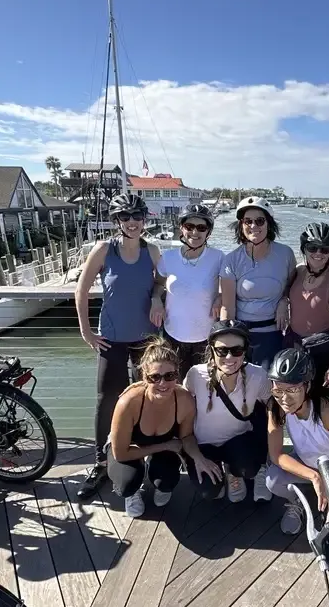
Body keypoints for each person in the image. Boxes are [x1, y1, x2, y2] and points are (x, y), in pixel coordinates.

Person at [75, 192, 165, 500]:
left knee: (147, 398)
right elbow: (82, 288)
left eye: (137, 217)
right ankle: (101, 461)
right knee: (107, 398)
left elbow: (161, 281)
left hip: (146, 338)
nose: (132, 223)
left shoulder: (152, 250)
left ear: (144, 221)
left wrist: (155, 296)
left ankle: (144, 454)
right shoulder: (104, 250)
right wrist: (86, 330)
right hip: (111, 337)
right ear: (116, 221)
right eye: (125, 217)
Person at [106, 337, 221, 518]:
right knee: (126, 484)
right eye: (155, 377)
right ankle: (134, 489)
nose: (163, 383)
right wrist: (165, 446)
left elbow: (187, 437)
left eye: (169, 376)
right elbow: (120, 453)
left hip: (165, 446)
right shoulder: (129, 402)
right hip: (130, 447)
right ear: (145, 376)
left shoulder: (184, 400)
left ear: (177, 374)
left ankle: (154, 468)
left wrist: (199, 458)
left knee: (166, 482)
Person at [264, 347, 329, 536]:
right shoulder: (275, 408)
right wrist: (313, 476)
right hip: (309, 465)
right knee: (273, 479)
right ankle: (299, 501)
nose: (284, 399)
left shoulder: (325, 411)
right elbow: (276, 454)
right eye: (277, 391)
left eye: (292, 390)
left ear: (307, 386)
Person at [183, 319, 272, 503]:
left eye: (237, 350)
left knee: (248, 468)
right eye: (222, 350)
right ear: (212, 351)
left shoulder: (258, 376)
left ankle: (235, 473)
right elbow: (180, 405)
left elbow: (273, 407)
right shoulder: (195, 375)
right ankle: (218, 470)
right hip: (204, 444)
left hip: (238, 440)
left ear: (245, 350)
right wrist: (196, 457)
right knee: (209, 491)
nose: (230, 358)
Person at [219, 196, 297, 369]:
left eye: (260, 221)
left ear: (269, 224)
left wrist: (285, 300)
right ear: (241, 225)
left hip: (274, 335)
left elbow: (292, 285)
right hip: (241, 335)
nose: (253, 226)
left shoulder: (285, 254)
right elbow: (228, 307)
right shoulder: (231, 260)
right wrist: (226, 344)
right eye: (248, 221)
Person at [282, 222, 329, 400]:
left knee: (320, 403)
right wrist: (283, 301)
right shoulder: (298, 271)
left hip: (321, 352)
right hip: (294, 346)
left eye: (325, 249)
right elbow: (284, 292)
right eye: (313, 248)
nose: (318, 253)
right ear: (304, 248)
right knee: (294, 401)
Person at [157, 203, 225, 377]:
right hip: (172, 336)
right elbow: (157, 284)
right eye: (190, 226)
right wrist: (155, 300)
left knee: (204, 391)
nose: (195, 233)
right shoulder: (168, 258)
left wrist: (220, 297)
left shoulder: (218, 258)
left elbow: (229, 288)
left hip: (206, 338)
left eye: (201, 228)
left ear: (208, 232)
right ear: (181, 228)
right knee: (174, 389)